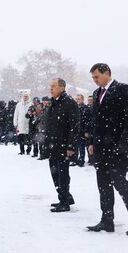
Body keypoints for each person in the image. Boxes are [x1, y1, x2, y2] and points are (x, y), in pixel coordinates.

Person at [86, 63, 128, 236]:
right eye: (93, 77)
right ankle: (107, 220)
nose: (95, 80)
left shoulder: (123, 89)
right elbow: (95, 121)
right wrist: (91, 141)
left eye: (97, 76)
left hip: (117, 148)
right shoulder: (97, 93)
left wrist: (123, 144)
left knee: (120, 184)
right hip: (101, 147)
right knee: (103, 185)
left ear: (107, 73)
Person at [44, 79, 79, 212]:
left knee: (62, 174)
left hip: (63, 145)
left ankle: (64, 202)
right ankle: (64, 197)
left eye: (53, 86)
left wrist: (70, 146)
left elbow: (74, 126)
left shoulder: (69, 103)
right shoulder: (54, 102)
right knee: (55, 173)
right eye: (50, 86)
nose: (51, 89)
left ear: (62, 88)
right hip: (53, 144)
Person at [72, 94, 91, 167]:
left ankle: (81, 160)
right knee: (75, 146)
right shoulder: (74, 108)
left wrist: (86, 131)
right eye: (76, 99)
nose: (77, 100)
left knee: (81, 147)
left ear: (82, 100)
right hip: (75, 130)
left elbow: (88, 121)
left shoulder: (85, 108)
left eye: (78, 99)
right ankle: (75, 159)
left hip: (82, 130)